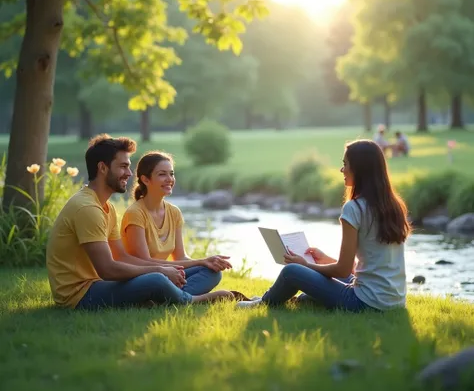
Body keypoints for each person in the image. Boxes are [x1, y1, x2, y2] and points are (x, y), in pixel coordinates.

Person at [46, 134, 233, 310]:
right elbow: (107, 269)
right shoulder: (87, 208)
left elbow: (122, 257)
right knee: (157, 280)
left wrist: (170, 269)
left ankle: (162, 299)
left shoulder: (107, 208)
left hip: (100, 284)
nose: (129, 173)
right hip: (80, 295)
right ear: (102, 168)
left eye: (128, 166)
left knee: (200, 272)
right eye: (123, 166)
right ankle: (189, 300)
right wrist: (160, 271)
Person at [237, 139, 411, 312]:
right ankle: (288, 299)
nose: (342, 169)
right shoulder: (394, 205)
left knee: (291, 272)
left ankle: (262, 303)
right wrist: (325, 259)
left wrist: (305, 265)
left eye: (345, 164)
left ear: (359, 169)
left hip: (364, 302)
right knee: (308, 294)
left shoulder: (354, 207)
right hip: (395, 302)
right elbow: (359, 268)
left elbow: (343, 270)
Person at [120, 151, 233, 296]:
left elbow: (180, 258)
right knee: (159, 279)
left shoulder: (174, 212)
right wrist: (201, 261)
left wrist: (205, 263)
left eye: (171, 174)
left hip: (166, 274)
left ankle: (172, 297)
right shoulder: (135, 213)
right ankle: (181, 297)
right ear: (146, 179)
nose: (169, 179)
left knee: (212, 272)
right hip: (146, 277)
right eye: (162, 174)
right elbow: (145, 262)